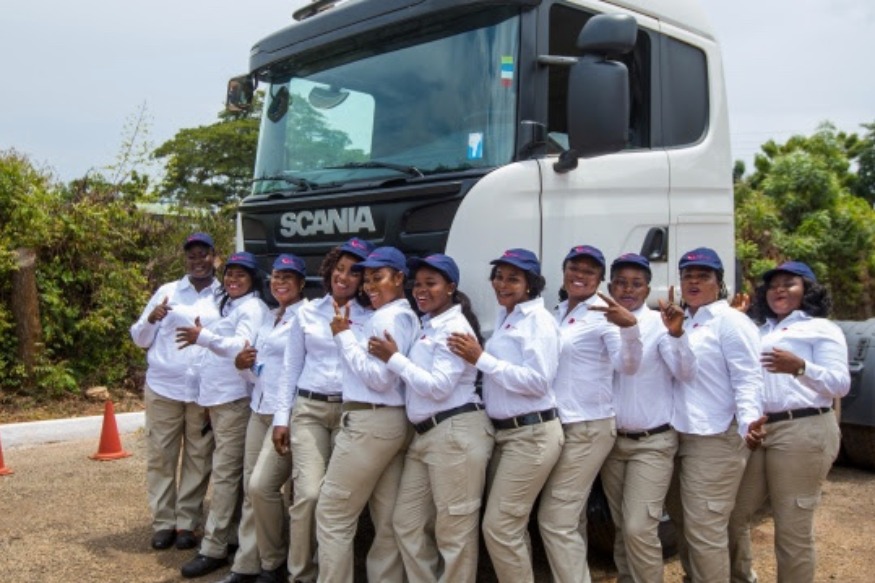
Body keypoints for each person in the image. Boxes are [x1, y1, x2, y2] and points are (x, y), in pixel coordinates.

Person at [369, 253, 494, 583]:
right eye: (417, 284)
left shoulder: (454, 327)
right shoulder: (429, 324)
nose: (421, 290)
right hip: (427, 435)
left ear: (451, 287)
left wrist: (393, 358)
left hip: (455, 431)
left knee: (454, 533)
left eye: (431, 284)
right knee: (407, 523)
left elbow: (438, 387)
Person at [728, 261, 850, 583]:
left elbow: (840, 384)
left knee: (791, 526)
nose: (779, 289)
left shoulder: (821, 328)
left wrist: (801, 367)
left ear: (807, 290)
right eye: (772, 285)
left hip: (803, 429)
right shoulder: (758, 329)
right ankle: (741, 577)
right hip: (759, 430)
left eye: (788, 283)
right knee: (732, 513)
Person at [448, 248, 563, 583]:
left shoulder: (538, 321)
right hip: (508, 434)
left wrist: (481, 359)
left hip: (532, 434)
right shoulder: (508, 316)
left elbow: (538, 381)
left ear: (531, 284)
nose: (502, 283)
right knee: (510, 526)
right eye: (498, 276)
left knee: (499, 527)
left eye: (513, 278)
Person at [536, 245, 643, 583]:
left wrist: (628, 329)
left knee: (555, 518)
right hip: (558, 424)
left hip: (588, 427)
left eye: (589, 272)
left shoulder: (603, 314)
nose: (579, 276)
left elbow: (627, 366)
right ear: (564, 271)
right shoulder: (555, 312)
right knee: (572, 517)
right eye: (574, 269)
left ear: (599, 279)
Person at [271, 237, 374, 583]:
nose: (344, 277)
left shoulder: (371, 316)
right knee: (309, 494)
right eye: (339, 269)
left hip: (350, 414)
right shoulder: (307, 312)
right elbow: (289, 368)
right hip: (309, 411)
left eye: (354, 273)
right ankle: (300, 573)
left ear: (364, 280)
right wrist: (281, 419)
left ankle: (329, 571)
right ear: (329, 270)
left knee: (337, 501)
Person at [316, 246, 419, 583]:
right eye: (368, 279)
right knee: (387, 518)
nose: (369, 285)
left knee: (333, 513)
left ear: (400, 278)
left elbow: (378, 378)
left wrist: (343, 336)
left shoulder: (388, 317)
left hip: (370, 423)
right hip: (387, 422)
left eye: (379, 277)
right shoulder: (398, 314)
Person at [666, 247, 765, 583]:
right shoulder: (683, 321)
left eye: (703, 276)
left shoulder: (731, 322)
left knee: (705, 529)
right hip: (680, 436)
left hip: (716, 438)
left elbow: (748, 377)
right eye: (687, 276)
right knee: (684, 523)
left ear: (718, 282)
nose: (694, 281)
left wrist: (749, 425)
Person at [599, 253, 695, 583]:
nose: (628, 289)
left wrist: (678, 335)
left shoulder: (659, 324)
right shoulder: (599, 321)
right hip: (613, 443)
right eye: (621, 282)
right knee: (622, 528)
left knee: (640, 528)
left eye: (636, 284)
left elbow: (684, 373)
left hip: (652, 443)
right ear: (610, 285)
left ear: (647, 289)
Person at [176, 251, 270, 579]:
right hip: (218, 401)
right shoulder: (232, 304)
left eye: (240, 276)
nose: (232, 280)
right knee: (229, 475)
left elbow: (241, 347)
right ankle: (229, 539)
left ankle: (214, 547)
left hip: (234, 401)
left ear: (252, 280)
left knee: (227, 476)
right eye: (229, 274)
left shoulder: (252, 308)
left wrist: (204, 337)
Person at [218, 254, 308, 583]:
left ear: (301, 283)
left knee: (267, 488)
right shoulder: (269, 317)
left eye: (288, 277)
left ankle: (276, 561)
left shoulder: (306, 316)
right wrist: (244, 366)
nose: (280, 282)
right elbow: (260, 370)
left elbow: (299, 370)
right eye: (276, 277)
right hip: (259, 408)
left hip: (289, 414)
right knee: (250, 488)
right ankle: (246, 563)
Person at [130, 232, 220, 552]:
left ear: (214, 257)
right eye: (192, 255)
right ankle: (164, 522)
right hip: (164, 388)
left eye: (203, 254)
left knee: (198, 458)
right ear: (186, 259)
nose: (198, 261)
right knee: (161, 457)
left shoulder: (224, 295)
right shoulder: (167, 292)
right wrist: (151, 320)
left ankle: (187, 523)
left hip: (203, 391)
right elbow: (140, 338)